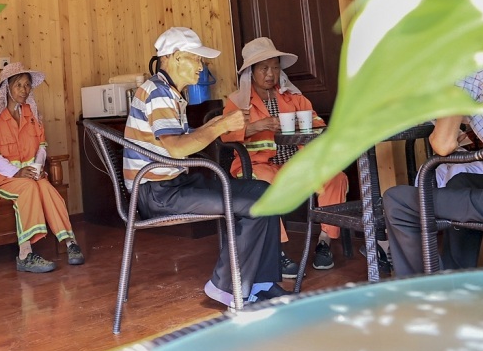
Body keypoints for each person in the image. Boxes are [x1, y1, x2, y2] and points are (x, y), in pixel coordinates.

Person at [125, 26, 285, 309]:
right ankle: (227, 286)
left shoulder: (169, 92)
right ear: (175, 57)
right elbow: (177, 148)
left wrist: (214, 125)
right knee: (255, 201)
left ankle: (260, 283)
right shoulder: (158, 93)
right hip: (157, 193)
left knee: (264, 190)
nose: (201, 66)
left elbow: (179, 141)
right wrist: (221, 125)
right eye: (196, 59)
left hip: (173, 185)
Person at [383, 60, 483, 276]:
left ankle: (426, 295)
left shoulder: (464, 66)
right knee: (460, 183)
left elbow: (443, 145)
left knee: (398, 201)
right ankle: (454, 278)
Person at [222, 37, 348, 279]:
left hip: (296, 164)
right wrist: (255, 126)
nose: (271, 74)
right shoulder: (237, 103)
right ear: (251, 72)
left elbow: (320, 126)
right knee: (263, 185)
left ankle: (324, 241)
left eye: (276, 67)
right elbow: (224, 135)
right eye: (264, 68)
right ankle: (275, 250)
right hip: (256, 165)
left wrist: (306, 125)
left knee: (336, 177)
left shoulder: (294, 97)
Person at [0, 62, 84, 273]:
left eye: (27, 85)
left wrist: (36, 166)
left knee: (45, 187)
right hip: (0, 177)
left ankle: (70, 242)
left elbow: (42, 146)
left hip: (29, 175)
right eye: (19, 85)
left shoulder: (32, 113)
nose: (24, 90)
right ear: (6, 88)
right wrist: (17, 172)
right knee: (29, 188)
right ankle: (25, 254)